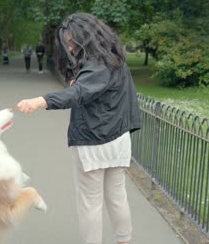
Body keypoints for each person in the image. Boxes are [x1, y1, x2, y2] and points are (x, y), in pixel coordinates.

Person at [16, 13, 141, 244]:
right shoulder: (115, 60)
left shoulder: (98, 65)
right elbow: (95, 90)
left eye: (73, 42)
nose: (70, 48)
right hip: (118, 140)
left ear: (87, 38)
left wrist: (40, 101)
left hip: (93, 141)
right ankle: (124, 240)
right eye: (68, 44)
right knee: (116, 196)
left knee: (90, 203)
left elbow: (78, 93)